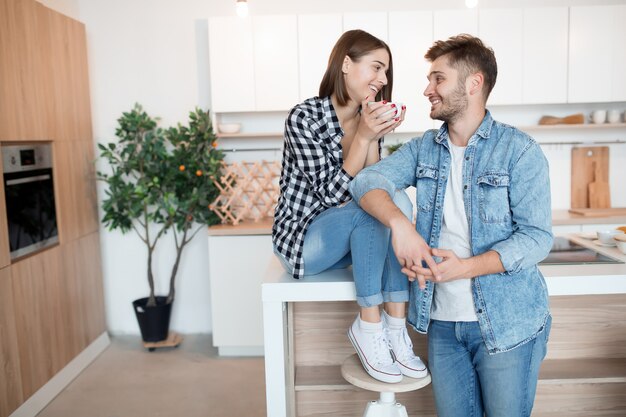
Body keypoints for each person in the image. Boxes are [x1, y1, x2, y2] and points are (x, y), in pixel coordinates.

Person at [350, 34, 553, 416]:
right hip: (442, 324)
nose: (428, 89)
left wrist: (466, 267)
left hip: (508, 324)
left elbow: (538, 238)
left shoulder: (519, 150)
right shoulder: (423, 148)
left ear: (473, 83)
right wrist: (401, 226)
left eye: (438, 78)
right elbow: (366, 182)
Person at [272, 29, 428, 383]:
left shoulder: (367, 116)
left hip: (346, 241)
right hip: (303, 242)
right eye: (376, 67)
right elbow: (330, 194)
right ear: (346, 63)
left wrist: (370, 132)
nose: (383, 79)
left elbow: (370, 187)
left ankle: (395, 327)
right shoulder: (304, 118)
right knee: (376, 210)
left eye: (386, 72)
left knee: (392, 201)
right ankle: (368, 326)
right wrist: (363, 135)